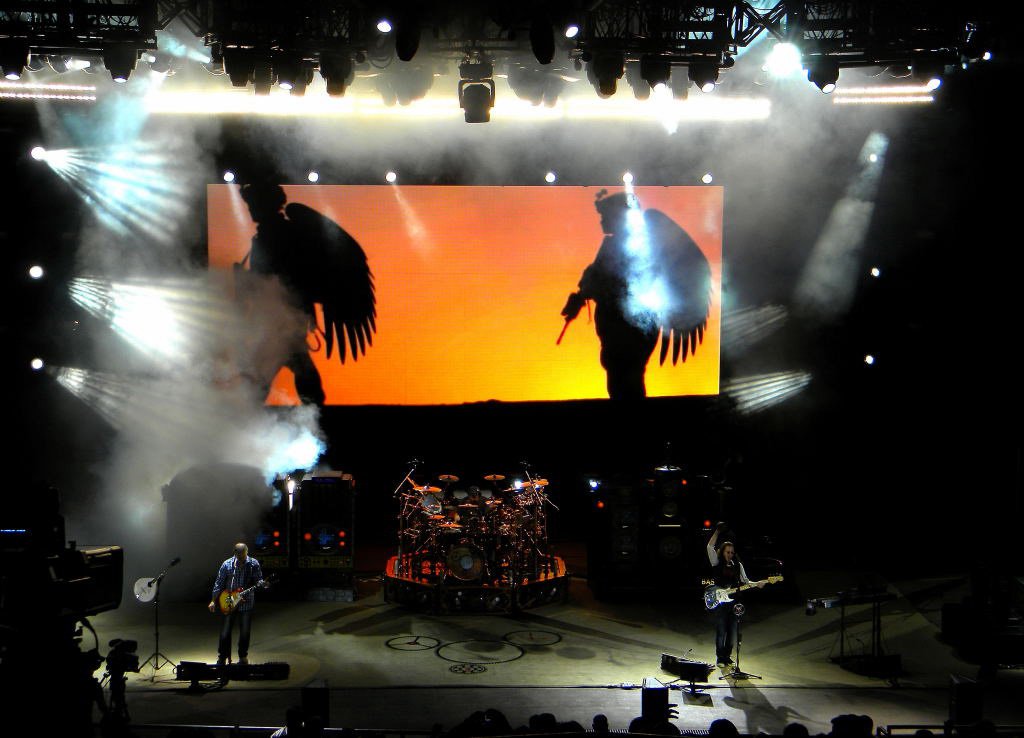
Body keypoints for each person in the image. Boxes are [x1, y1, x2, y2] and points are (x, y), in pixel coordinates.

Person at [560, 190, 711, 399]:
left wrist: (592, 289)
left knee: (626, 375)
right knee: (617, 375)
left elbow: (618, 281)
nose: (602, 221)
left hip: (631, 325)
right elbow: (597, 278)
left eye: (605, 216)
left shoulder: (642, 243)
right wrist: (580, 297)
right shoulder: (611, 245)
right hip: (614, 324)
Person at [707, 522, 762, 667]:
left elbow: (746, 581)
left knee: (732, 631)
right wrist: (717, 532)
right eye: (727, 552)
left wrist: (758, 583)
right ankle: (720, 657)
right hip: (720, 602)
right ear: (722, 552)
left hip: (734, 603)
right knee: (721, 631)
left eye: (732, 552)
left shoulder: (738, 565)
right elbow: (709, 547)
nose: (730, 555)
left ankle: (727, 656)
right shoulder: (716, 562)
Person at [208, 542, 265, 666]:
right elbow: (219, 583)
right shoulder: (227, 564)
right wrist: (213, 600)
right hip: (229, 601)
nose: (241, 559)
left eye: (243, 556)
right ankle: (222, 657)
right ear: (235, 553)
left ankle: (243, 656)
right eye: (239, 556)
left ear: (246, 552)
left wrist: (263, 584)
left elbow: (259, 580)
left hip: (246, 602)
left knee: (245, 632)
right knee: (225, 633)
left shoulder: (253, 564)